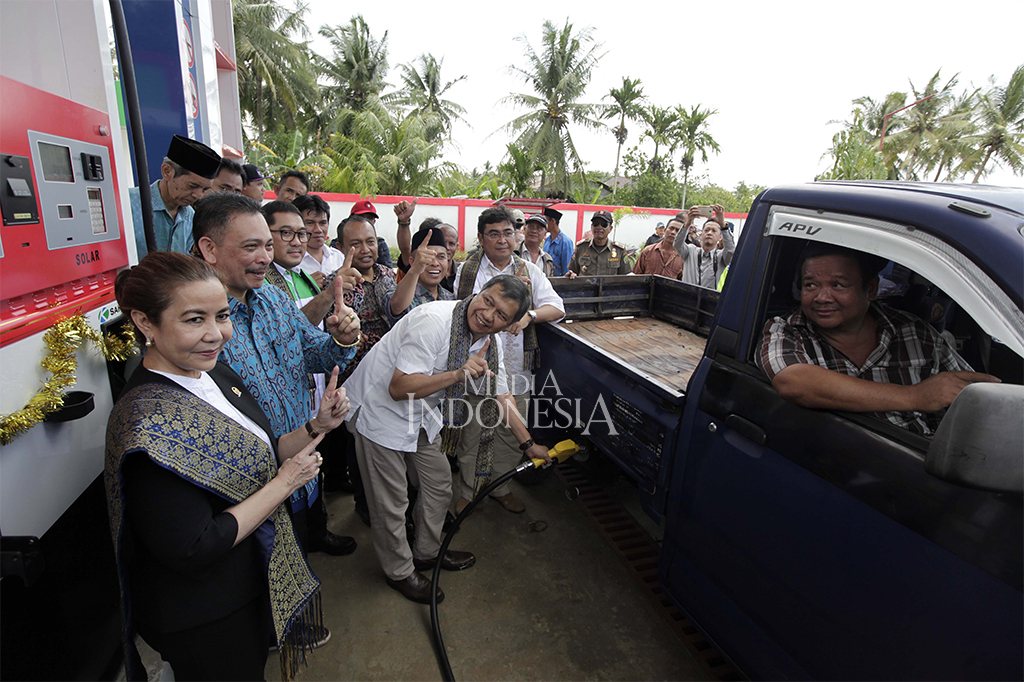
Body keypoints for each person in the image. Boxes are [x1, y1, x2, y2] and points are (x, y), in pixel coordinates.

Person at [106, 252, 348, 681]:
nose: (215, 334)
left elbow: (264, 448)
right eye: (194, 320)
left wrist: (316, 425)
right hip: (202, 613)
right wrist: (284, 484)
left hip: (246, 580)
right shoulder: (149, 426)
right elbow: (194, 546)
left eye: (221, 316)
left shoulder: (213, 374)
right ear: (145, 323)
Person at [343, 275, 551, 604]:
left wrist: (529, 445)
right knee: (392, 502)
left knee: (439, 483)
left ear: (509, 326)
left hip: (420, 414)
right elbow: (399, 388)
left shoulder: (488, 344)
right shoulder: (434, 321)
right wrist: (457, 375)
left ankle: (426, 552)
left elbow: (502, 396)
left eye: (500, 316)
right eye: (488, 301)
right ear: (478, 293)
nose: (487, 314)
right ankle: (399, 571)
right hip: (379, 412)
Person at [192, 192, 361, 569]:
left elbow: (314, 352)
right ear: (209, 248)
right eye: (251, 246)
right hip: (247, 484)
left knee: (298, 548)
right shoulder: (195, 322)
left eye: (268, 245)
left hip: (301, 453)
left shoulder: (274, 297)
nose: (265, 258)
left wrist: (342, 338)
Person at [756, 243, 999, 437]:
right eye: (811, 285)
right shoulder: (786, 330)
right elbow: (793, 381)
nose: (822, 297)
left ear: (871, 289)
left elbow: (977, 400)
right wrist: (915, 396)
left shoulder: (915, 332)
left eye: (838, 285)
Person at [454, 207, 564, 514]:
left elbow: (557, 307)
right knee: (474, 433)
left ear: (516, 235)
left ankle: (500, 487)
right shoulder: (469, 270)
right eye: (494, 233)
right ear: (481, 238)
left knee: (508, 435)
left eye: (508, 232)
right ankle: (468, 491)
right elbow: (460, 313)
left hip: (517, 369)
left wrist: (530, 315)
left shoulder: (530, 270)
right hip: (478, 368)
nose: (502, 240)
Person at [129, 134, 220, 258]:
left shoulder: (190, 217)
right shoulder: (129, 204)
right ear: (167, 171)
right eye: (192, 186)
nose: (198, 195)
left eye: (204, 189)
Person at [674, 205, 735, 289]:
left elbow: (731, 251)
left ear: (720, 237)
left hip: (710, 300)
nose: (709, 233)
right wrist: (688, 223)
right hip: (687, 299)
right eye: (706, 230)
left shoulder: (721, 257)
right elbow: (677, 244)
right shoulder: (690, 251)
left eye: (714, 231)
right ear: (701, 234)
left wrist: (723, 225)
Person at [293, 194, 345, 289]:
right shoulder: (292, 261)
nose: (318, 230)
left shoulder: (339, 258)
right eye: (310, 223)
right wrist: (304, 286)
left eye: (323, 223)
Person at [567, 210, 630, 278]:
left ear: (610, 229)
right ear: (591, 226)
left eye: (604, 224)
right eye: (596, 223)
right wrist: (572, 274)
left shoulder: (619, 251)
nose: (599, 227)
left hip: (609, 288)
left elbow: (626, 276)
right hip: (586, 288)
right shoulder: (581, 248)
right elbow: (572, 271)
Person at [541, 205, 574, 277]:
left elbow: (567, 269)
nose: (544, 224)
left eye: (546, 221)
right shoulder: (547, 241)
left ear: (553, 221)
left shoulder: (566, 242)